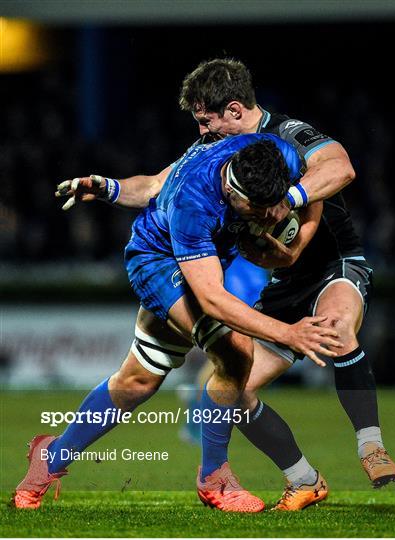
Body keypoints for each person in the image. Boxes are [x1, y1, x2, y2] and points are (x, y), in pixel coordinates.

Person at [55, 58, 395, 509]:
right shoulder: (219, 152)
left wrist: (286, 198)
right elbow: (159, 185)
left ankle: (370, 445)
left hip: (334, 264)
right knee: (232, 391)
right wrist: (107, 188)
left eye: (206, 120)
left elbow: (341, 169)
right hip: (284, 279)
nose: (201, 131)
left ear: (235, 110)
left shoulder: (288, 134)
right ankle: (304, 479)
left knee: (335, 328)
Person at [14, 134, 341, 512]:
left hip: (202, 260)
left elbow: (324, 182)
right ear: (237, 196)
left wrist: (296, 242)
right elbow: (213, 301)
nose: (272, 218)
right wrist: (288, 332)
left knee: (137, 380)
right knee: (234, 351)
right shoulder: (194, 204)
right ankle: (214, 478)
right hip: (157, 262)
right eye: (260, 211)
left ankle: (49, 458)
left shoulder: (271, 152)